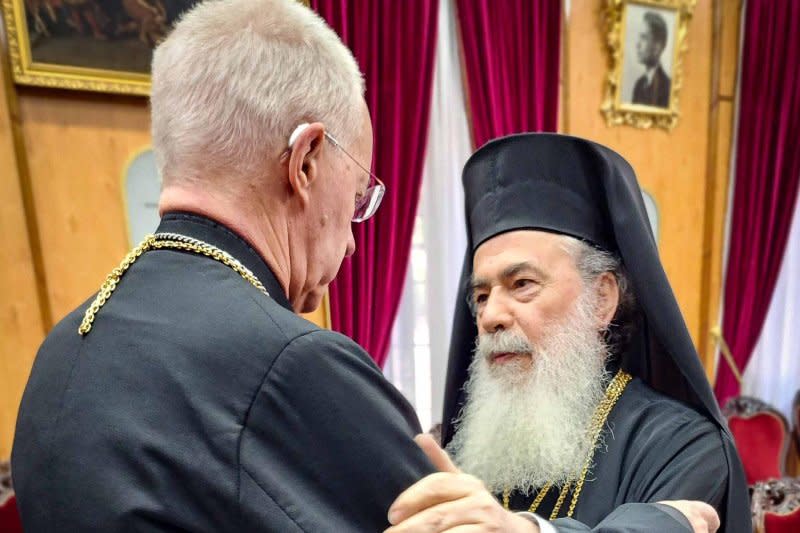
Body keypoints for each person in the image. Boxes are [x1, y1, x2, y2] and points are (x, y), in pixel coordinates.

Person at [11, 0, 435, 530]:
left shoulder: (63, 345)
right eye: (354, 198)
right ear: (305, 161)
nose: (352, 241)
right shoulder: (295, 366)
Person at [385, 133, 750, 533]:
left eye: (522, 283)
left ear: (601, 300)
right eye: (482, 294)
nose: (491, 316)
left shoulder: (683, 447)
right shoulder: (465, 451)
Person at [632, 11, 671, 108]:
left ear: (657, 47)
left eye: (644, 37)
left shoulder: (667, 87)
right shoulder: (639, 85)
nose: (637, 44)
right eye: (639, 37)